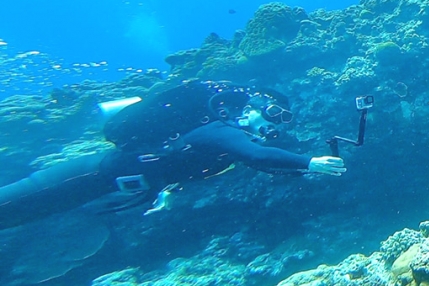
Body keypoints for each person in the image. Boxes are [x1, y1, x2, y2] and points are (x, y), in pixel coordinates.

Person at [0, 80, 346, 230]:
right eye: (272, 115)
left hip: (112, 186)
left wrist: (163, 191)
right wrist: (310, 162)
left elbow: (184, 163)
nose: (274, 126)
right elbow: (256, 156)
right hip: (94, 174)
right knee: (16, 202)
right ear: (254, 105)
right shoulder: (219, 128)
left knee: (21, 214)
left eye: (281, 122)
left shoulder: (222, 133)